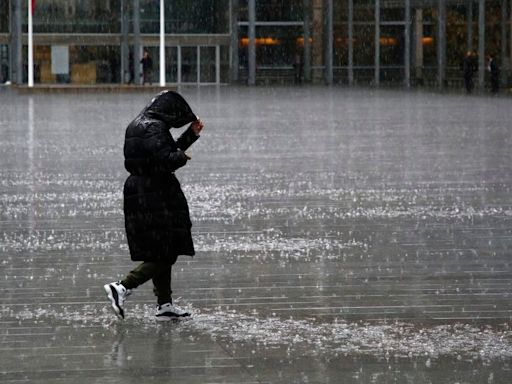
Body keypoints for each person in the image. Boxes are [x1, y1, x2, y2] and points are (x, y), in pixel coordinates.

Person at [104, 90, 204, 321]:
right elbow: (167, 160)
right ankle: (122, 287)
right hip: (155, 193)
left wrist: (190, 135)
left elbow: (159, 152)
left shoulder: (139, 124)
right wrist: (182, 157)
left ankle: (164, 304)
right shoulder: (155, 127)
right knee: (166, 252)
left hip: (141, 191)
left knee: (162, 247)